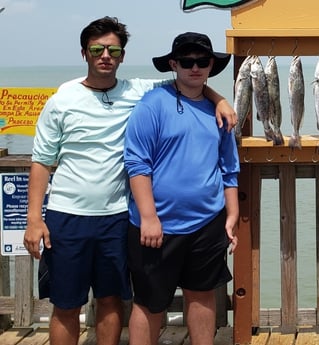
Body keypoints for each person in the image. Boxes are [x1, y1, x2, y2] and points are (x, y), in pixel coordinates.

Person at [22, 17, 236, 345]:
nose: (105, 55)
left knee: (111, 299)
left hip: (116, 216)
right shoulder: (62, 99)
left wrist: (218, 98)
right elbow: (41, 161)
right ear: (85, 53)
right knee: (67, 303)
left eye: (113, 50)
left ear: (122, 56)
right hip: (67, 216)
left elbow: (190, 85)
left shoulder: (138, 91)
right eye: (97, 49)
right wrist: (34, 218)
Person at [124, 32, 239, 345]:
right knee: (149, 302)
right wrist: (149, 217)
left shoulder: (221, 113)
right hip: (157, 225)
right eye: (187, 61)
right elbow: (137, 165)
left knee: (202, 295)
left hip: (207, 223)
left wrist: (232, 214)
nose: (195, 67)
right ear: (173, 64)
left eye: (202, 61)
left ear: (211, 65)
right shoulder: (152, 105)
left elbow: (229, 168)